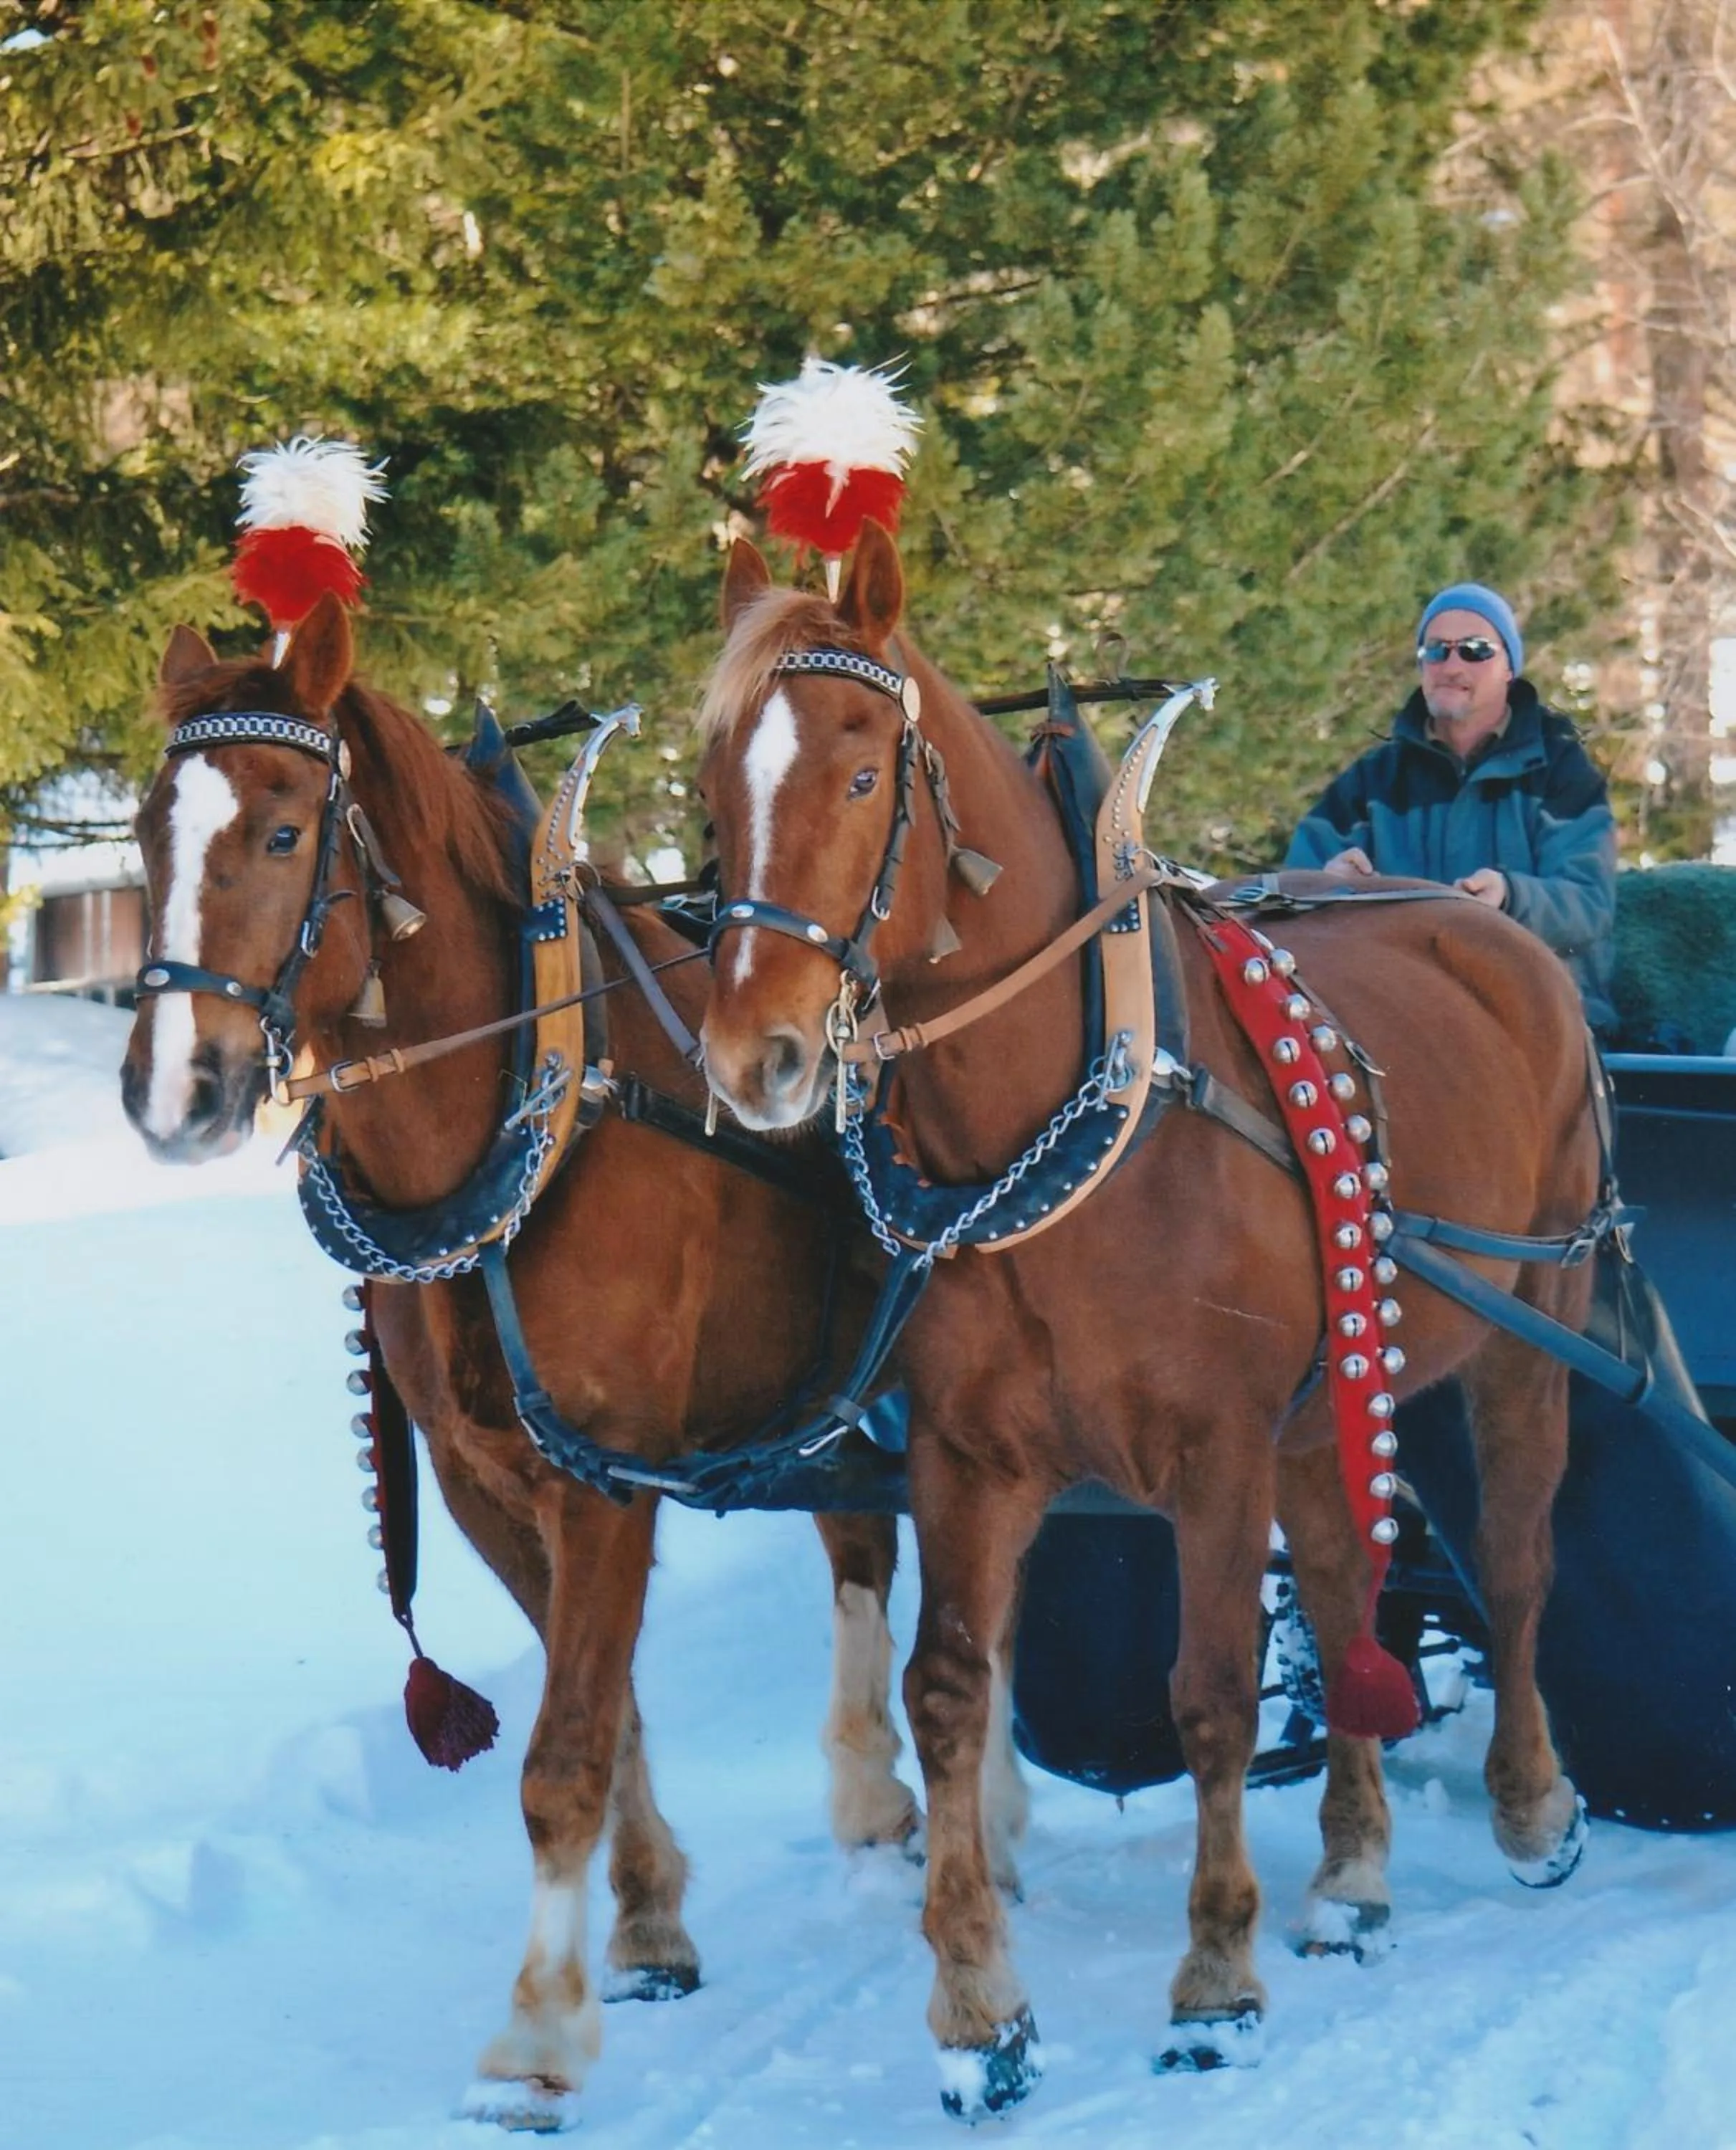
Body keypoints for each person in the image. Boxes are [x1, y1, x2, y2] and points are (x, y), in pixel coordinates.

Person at [1285, 582, 1617, 1035]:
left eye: (1475, 650)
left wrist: (1510, 897)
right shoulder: (1372, 780)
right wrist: (1325, 888)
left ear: (1509, 669)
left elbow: (1589, 902)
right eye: (1437, 651)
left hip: (1541, 1015)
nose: (1452, 665)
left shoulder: (1562, 773)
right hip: (1396, 1017)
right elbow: (1286, 897)